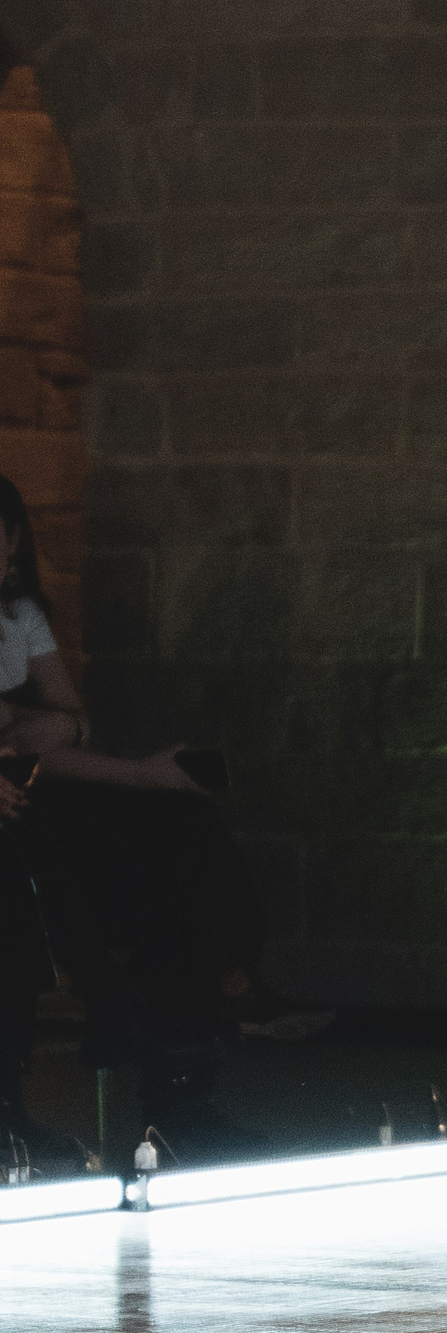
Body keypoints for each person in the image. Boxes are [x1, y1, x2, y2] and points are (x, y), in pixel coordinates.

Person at [0, 473, 325, 1161]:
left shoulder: (18, 614)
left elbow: (65, 725)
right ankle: (158, 1021)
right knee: (79, 857)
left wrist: (66, 733)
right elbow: (33, 736)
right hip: (21, 801)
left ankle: (200, 1025)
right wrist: (56, 736)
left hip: (36, 783)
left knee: (180, 826)